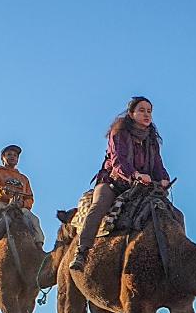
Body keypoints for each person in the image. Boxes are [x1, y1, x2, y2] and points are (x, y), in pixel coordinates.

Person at [69, 96, 171, 270]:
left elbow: (157, 165)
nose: (147, 114)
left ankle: (172, 257)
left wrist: (164, 179)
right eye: (142, 110)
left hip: (143, 186)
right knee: (99, 206)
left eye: (149, 111)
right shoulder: (119, 133)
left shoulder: (151, 140)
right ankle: (82, 252)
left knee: (171, 212)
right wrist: (135, 174)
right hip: (114, 181)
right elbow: (118, 161)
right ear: (131, 114)